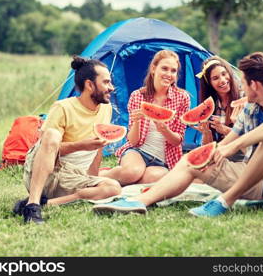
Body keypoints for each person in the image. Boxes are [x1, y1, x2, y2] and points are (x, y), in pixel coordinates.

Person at [93, 52, 263, 217]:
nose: (238, 84)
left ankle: (225, 201)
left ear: (254, 84)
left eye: (242, 80)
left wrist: (231, 146)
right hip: (256, 181)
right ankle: (139, 202)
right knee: (196, 157)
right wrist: (214, 151)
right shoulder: (251, 110)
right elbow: (228, 142)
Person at [13, 55, 121, 224]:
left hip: (71, 178)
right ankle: (33, 204)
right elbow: (45, 147)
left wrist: (91, 180)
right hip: (45, 174)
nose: (111, 88)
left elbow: (98, 149)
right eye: (106, 82)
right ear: (90, 85)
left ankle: (46, 204)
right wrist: (81, 146)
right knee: (52, 134)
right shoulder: (63, 107)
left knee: (113, 187)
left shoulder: (105, 110)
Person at [99, 50, 190, 185]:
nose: (168, 74)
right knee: (132, 172)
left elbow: (177, 141)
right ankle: (101, 175)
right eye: (164, 68)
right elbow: (134, 141)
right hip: (138, 151)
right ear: (153, 69)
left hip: (164, 160)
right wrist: (136, 121)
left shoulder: (182, 97)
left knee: (151, 178)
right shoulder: (138, 96)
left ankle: (122, 177)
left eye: (173, 71)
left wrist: (165, 130)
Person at [194, 56, 244, 162]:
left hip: (242, 159)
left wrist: (224, 130)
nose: (222, 80)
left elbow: (251, 139)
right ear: (209, 83)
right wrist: (206, 133)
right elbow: (209, 147)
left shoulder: (243, 98)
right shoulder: (212, 105)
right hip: (220, 157)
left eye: (224, 74)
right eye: (215, 78)